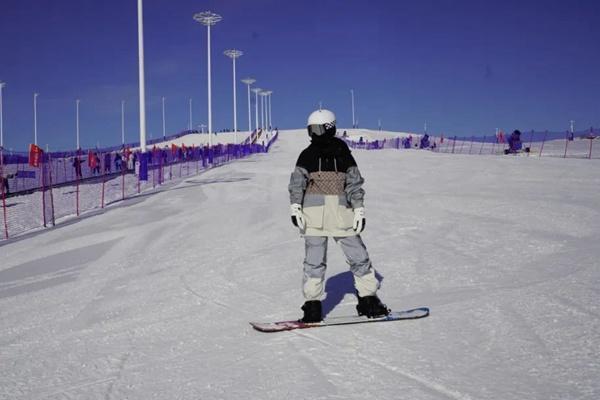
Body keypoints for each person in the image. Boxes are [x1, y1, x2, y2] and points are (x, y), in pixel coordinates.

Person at [288, 109, 389, 323]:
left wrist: (359, 208)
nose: (314, 135)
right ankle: (312, 305)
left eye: (316, 129)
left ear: (328, 128)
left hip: (342, 215)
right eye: (311, 130)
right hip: (314, 216)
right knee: (314, 261)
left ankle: (368, 298)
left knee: (358, 256)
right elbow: (297, 183)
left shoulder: (343, 153)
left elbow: (353, 183)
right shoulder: (307, 154)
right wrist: (295, 206)